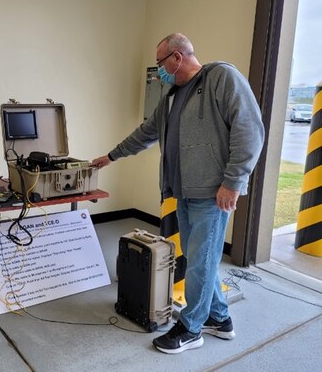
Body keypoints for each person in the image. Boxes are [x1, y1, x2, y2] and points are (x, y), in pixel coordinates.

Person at [92, 33, 264, 354]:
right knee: (204, 259)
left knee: (200, 261)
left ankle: (190, 328)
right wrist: (111, 156)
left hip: (213, 194)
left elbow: (249, 130)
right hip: (183, 193)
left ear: (177, 58)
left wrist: (233, 182)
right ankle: (220, 319)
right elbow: (144, 134)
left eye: (160, 63)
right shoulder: (171, 96)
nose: (159, 71)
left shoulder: (221, 78)